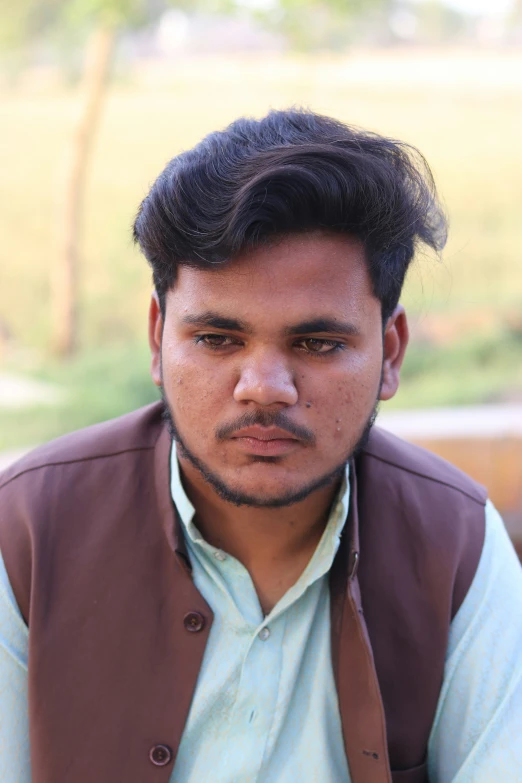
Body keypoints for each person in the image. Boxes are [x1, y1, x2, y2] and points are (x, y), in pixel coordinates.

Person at [0, 109, 521, 783]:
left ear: (390, 352)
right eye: (217, 339)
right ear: (159, 335)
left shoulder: (457, 540)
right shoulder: (30, 526)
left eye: (318, 343)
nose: (264, 387)